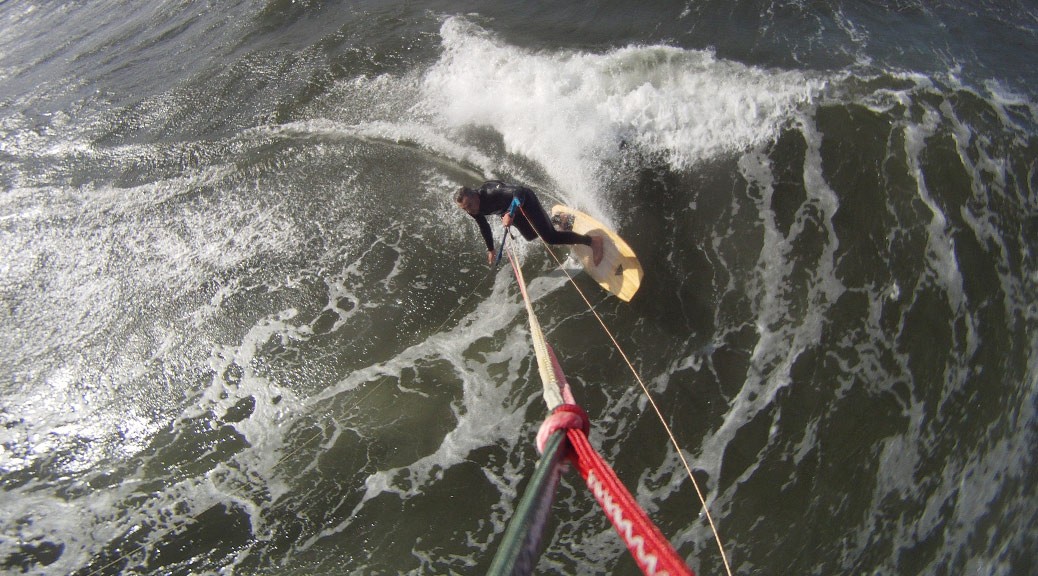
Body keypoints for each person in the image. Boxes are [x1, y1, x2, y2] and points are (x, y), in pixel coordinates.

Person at [455, 180, 603, 266]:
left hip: (525, 202)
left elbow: (519, 191)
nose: (469, 210)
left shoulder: (491, 191)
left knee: (550, 238)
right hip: (511, 212)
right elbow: (483, 226)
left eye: (469, 205)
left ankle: (593, 241)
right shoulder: (473, 210)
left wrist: (511, 212)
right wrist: (491, 249)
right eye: (464, 208)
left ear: (474, 195)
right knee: (531, 235)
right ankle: (559, 218)